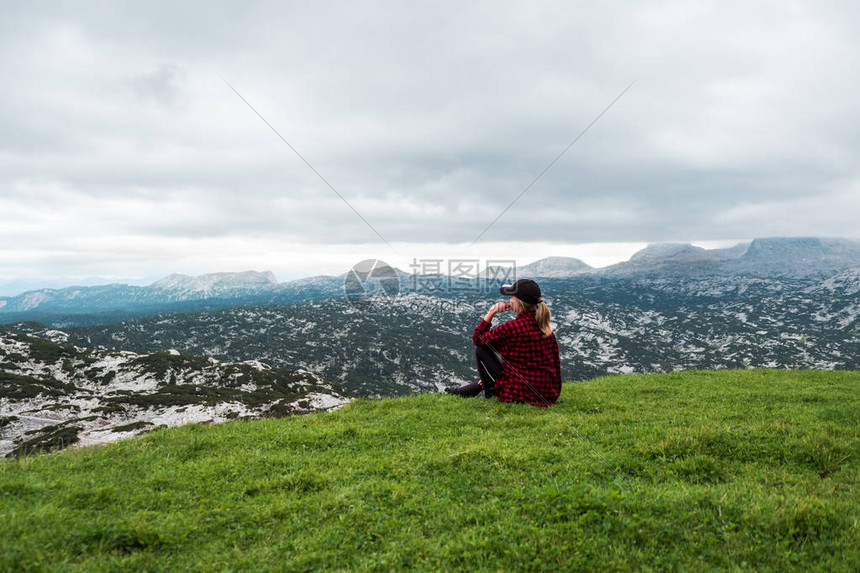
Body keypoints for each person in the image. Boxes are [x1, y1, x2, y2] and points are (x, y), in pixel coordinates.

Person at [446, 278, 562, 406]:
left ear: (518, 301)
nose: (509, 299)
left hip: (520, 393)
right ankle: (464, 390)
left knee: (481, 349)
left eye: (511, 296)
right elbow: (555, 365)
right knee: (487, 380)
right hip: (548, 394)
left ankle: (488, 390)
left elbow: (477, 338)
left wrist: (492, 312)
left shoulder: (512, 328)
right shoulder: (547, 330)